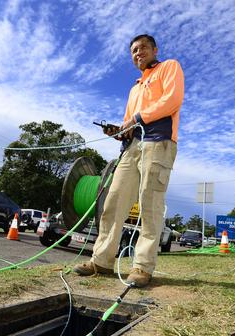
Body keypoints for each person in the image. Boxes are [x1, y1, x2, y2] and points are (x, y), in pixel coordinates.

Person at [73, 34, 184, 287]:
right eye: (134, 50)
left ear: (155, 49)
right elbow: (129, 124)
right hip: (131, 147)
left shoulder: (169, 67)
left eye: (143, 47)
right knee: (113, 202)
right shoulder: (134, 88)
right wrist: (118, 132)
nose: (138, 52)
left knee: (150, 204)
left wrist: (136, 119)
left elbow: (172, 101)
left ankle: (142, 268)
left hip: (159, 142)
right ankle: (101, 261)